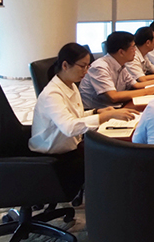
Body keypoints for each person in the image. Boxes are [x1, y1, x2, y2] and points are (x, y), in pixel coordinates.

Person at [29, 43, 139, 187]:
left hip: (71, 147)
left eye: (88, 66)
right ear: (65, 65)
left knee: (113, 155)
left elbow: (74, 116)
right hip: (54, 156)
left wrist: (97, 112)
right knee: (110, 161)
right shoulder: (52, 94)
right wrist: (105, 117)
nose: (86, 72)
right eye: (82, 66)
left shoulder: (70, 84)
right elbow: (69, 127)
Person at [79, 32, 154, 110]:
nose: (135, 50)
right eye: (133, 47)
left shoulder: (120, 64)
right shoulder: (100, 67)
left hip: (114, 107)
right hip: (97, 111)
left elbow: (136, 85)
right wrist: (147, 91)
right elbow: (113, 96)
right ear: (121, 52)